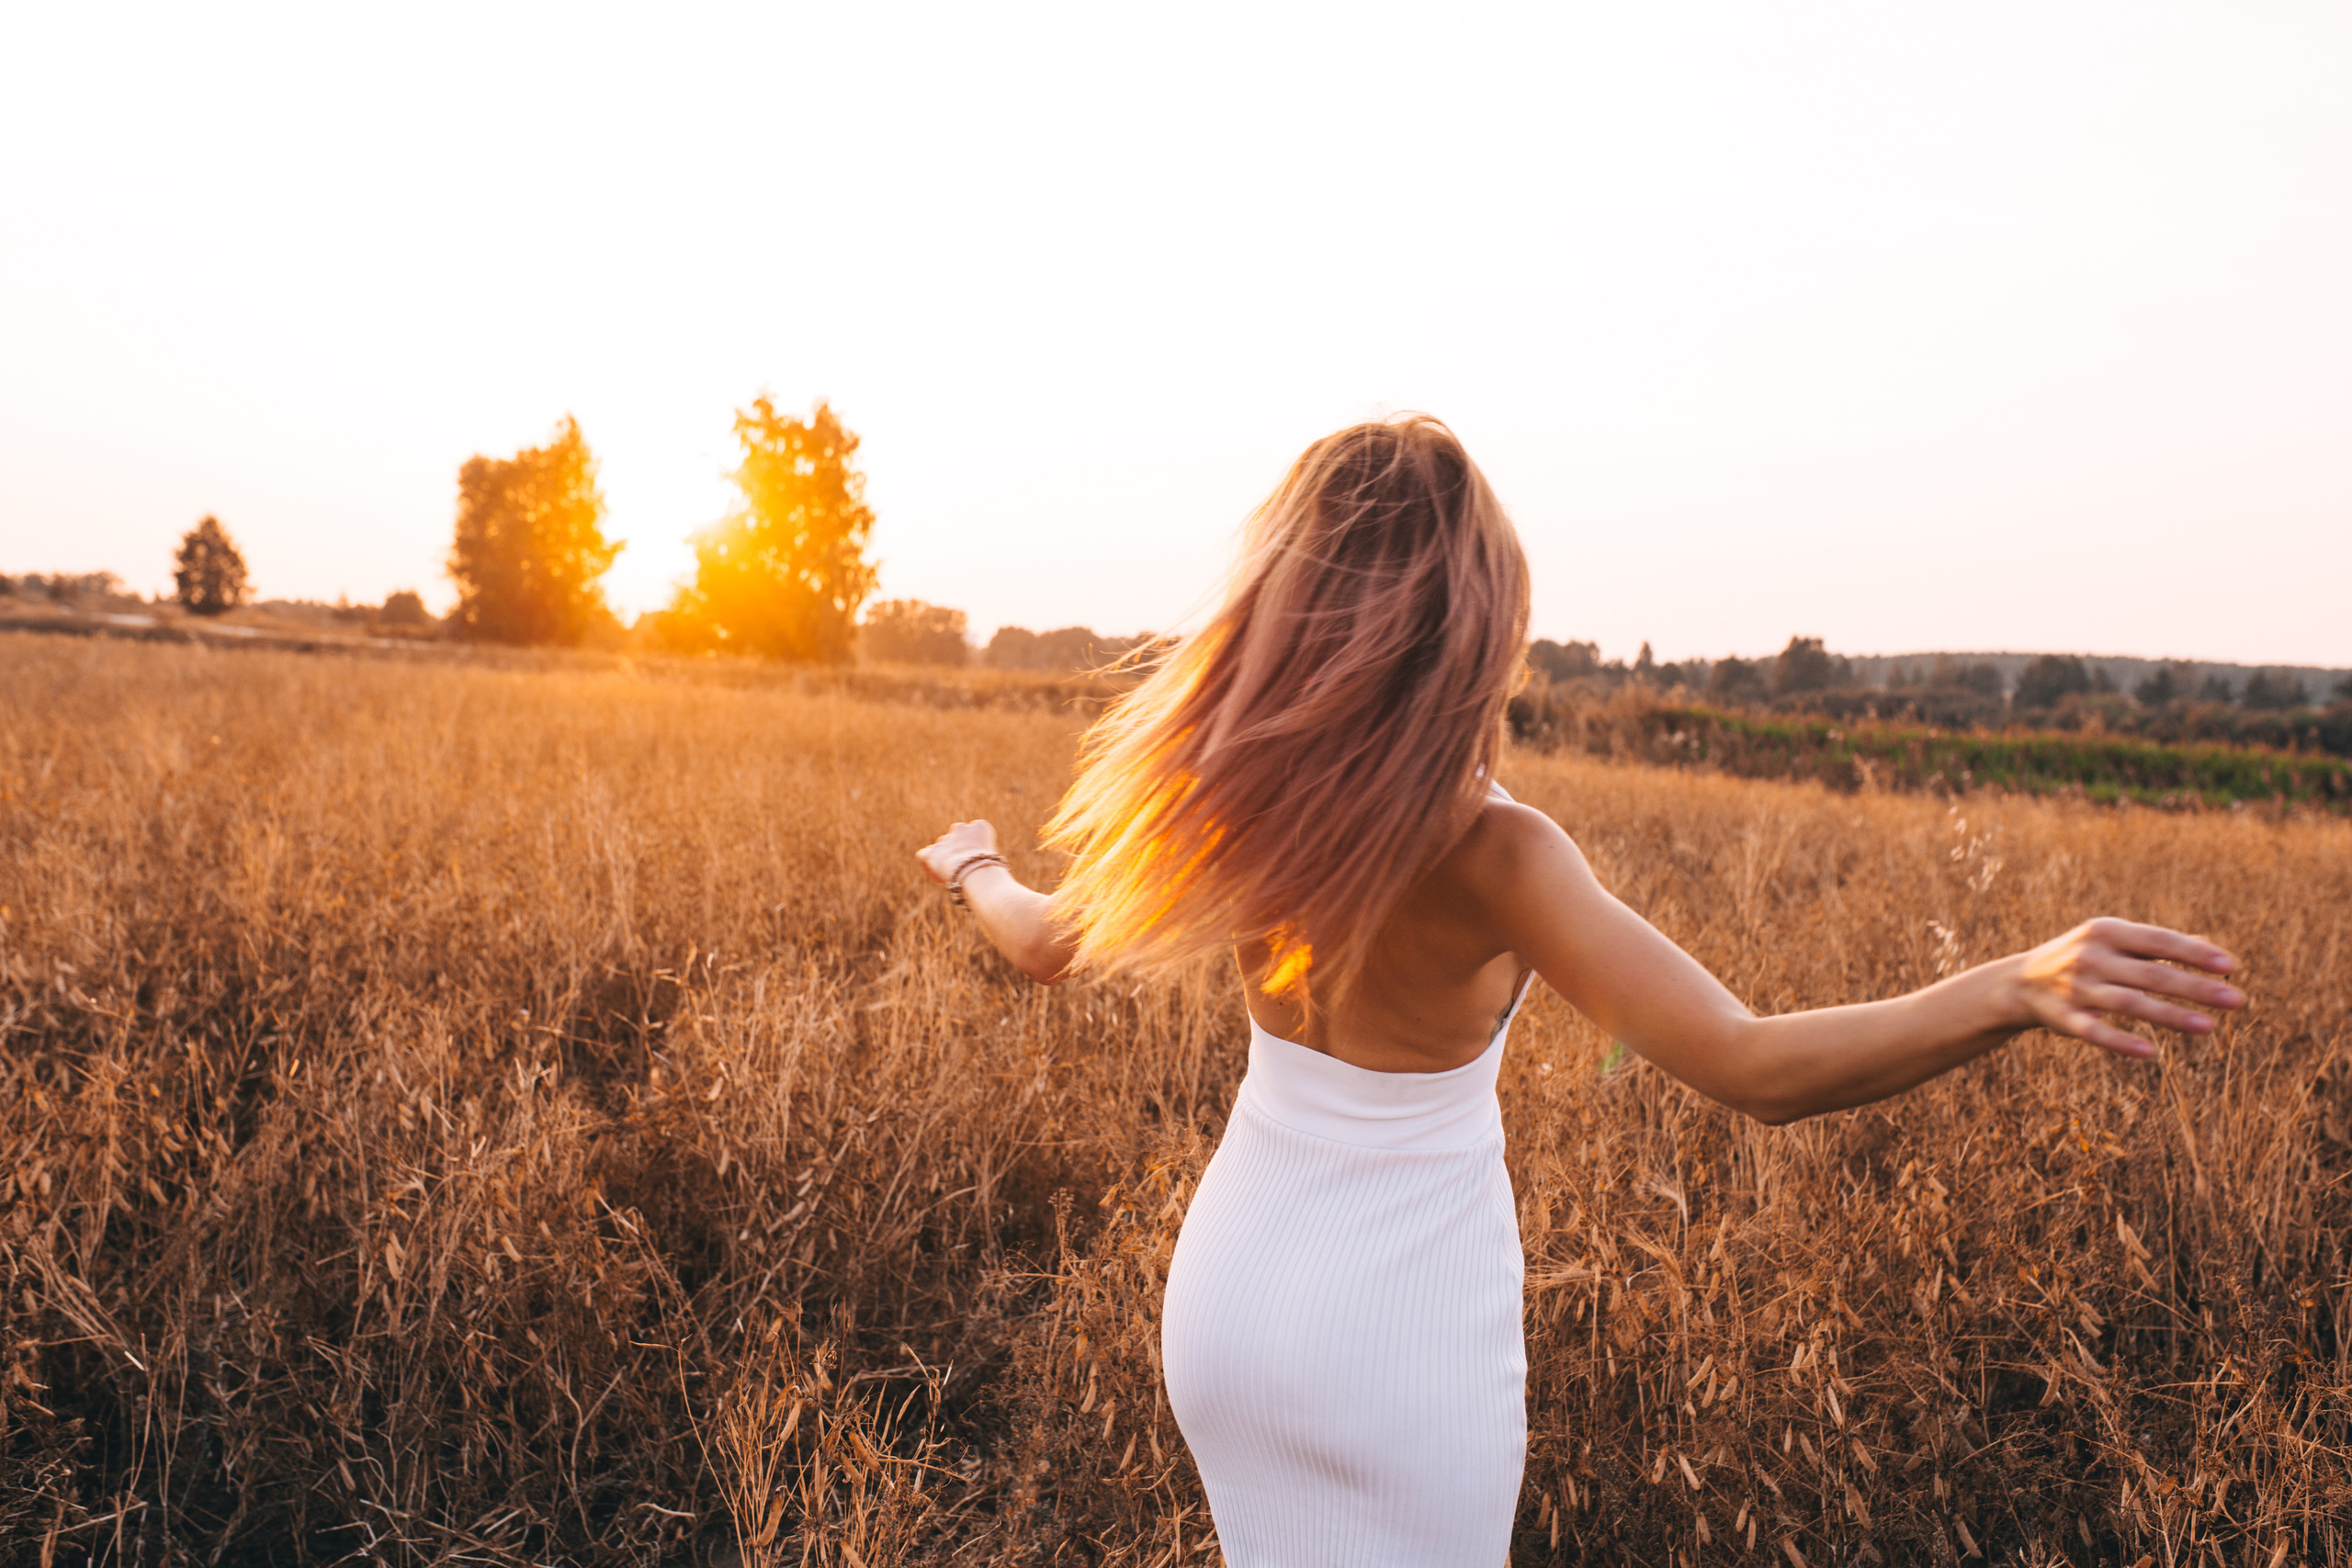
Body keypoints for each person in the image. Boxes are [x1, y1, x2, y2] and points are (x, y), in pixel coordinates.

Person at [914, 416, 2243, 1567]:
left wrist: (974, 864)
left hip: (1230, 1304)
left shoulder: (1237, 800)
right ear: (1475, 626)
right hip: (1397, 1332)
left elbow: (1040, 942)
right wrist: (2012, 982)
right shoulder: (1499, 853)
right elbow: (1752, 1065)